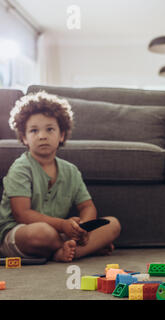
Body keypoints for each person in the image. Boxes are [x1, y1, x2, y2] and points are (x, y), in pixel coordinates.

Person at [0, 91, 121, 262]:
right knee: (42, 232)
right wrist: (63, 225)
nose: (42, 136)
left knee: (112, 224)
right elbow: (22, 214)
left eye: (50, 129)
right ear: (24, 138)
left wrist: (82, 229)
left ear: (61, 135)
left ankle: (67, 250)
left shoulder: (70, 171)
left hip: (59, 233)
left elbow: (87, 206)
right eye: (34, 130)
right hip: (20, 233)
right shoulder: (21, 168)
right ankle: (79, 249)